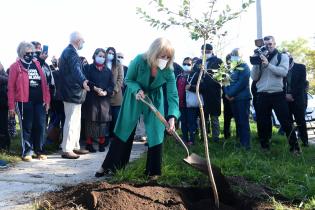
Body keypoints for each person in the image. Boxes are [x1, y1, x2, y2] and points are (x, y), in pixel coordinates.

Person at [95, 37, 180, 178]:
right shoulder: (139, 60)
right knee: (124, 128)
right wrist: (137, 90)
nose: (165, 59)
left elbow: (173, 95)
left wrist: (172, 117)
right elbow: (128, 79)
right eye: (162, 56)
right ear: (154, 53)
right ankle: (109, 166)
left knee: (156, 130)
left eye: (168, 57)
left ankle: (153, 172)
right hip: (135, 95)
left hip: (154, 97)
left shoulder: (168, 70)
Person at [251, 35, 299, 153]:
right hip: (262, 94)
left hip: (277, 94)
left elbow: (283, 72)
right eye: (266, 44)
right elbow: (254, 77)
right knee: (262, 122)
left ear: (275, 44)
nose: (268, 46)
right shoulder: (261, 57)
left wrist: (268, 65)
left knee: (285, 121)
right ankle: (264, 147)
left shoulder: (282, 56)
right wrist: (257, 63)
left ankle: (295, 148)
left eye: (270, 44)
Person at [8, 41, 50, 161]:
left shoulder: (37, 64)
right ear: (21, 53)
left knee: (41, 126)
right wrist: (11, 106)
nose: (30, 55)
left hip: (39, 101)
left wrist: (47, 100)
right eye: (28, 53)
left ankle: (39, 150)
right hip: (23, 102)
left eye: (32, 52)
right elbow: (10, 88)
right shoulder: (15, 67)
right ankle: (27, 151)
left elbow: (44, 84)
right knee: (27, 127)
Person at [59, 32, 90, 159]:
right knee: (71, 121)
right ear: (78, 41)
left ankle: (74, 146)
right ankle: (67, 149)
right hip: (72, 92)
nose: (84, 43)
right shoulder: (71, 53)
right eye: (83, 40)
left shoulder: (69, 52)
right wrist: (83, 82)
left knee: (75, 121)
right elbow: (76, 70)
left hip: (73, 92)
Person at [83, 48, 114, 152]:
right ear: (95, 55)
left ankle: (101, 144)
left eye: (103, 56)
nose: (102, 58)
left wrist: (106, 92)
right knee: (90, 122)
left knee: (103, 122)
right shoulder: (88, 68)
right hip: (91, 98)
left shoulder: (108, 71)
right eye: (100, 56)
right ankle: (89, 143)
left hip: (104, 100)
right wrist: (94, 88)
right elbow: (85, 81)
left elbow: (111, 85)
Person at [191, 43, 222, 141]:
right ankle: (204, 136)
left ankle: (216, 137)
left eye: (208, 52)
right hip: (202, 93)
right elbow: (194, 73)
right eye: (204, 52)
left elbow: (221, 76)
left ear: (212, 51)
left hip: (214, 93)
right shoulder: (199, 62)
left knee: (214, 116)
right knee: (203, 117)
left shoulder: (218, 61)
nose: (206, 53)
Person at [224, 48, 251, 149]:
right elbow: (225, 82)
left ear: (241, 56)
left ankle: (246, 145)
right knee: (238, 122)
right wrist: (227, 93)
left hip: (242, 99)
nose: (234, 56)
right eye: (233, 54)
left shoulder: (245, 67)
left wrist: (230, 94)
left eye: (237, 54)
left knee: (243, 122)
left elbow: (241, 83)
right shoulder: (231, 68)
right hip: (232, 99)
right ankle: (240, 142)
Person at [285, 55, 308, 146]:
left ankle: (304, 141)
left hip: (297, 99)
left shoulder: (301, 67)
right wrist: (285, 95)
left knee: (300, 121)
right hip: (285, 99)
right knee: (288, 121)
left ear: (291, 58)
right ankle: (293, 141)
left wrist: (291, 95)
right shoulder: (282, 68)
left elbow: (302, 84)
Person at [176, 57, 198, 145]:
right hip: (181, 103)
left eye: (188, 64)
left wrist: (191, 87)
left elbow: (203, 88)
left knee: (191, 122)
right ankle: (184, 139)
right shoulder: (179, 76)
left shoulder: (195, 75)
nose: (186, 66)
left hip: (191, 104)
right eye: (184, 64)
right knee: (183, 122)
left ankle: (192, 140)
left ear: (192, 65)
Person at [106, 47, 124, 144]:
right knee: (106, 120)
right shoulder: (103, 64)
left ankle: (116, 140)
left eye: (113, 53)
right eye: (109, 53)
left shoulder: (118, 64)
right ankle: (105, 139)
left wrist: (114, 90)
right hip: (104, 97)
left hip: (116, 96)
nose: (111, 55)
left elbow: (120, 79)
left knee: (116, 119)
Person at [0, 62, 10, 151]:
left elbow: (7, 80)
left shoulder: (4, 75)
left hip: (2, 104)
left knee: (3, 126)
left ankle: (4, 146)